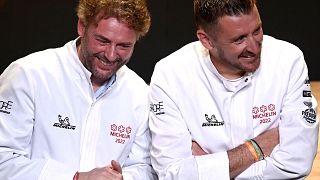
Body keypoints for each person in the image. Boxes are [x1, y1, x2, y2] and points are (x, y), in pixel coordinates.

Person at [149, 0, 319, 179]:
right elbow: (172, 173)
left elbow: (297, 162)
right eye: (239, 39)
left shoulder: (288, 60)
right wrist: (256, 148)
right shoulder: (169, 75)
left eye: (257, 31)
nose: (254, 47)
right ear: (206, 40)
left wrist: (210, 169)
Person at [0, 0, 157, 179]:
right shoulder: (29, 75)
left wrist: (123, 178)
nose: (111, 55)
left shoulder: (140, 93)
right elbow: (3, 159)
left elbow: (144, 167)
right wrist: (75, 177)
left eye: (124, 46)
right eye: (102, 41)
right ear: (82, 27)